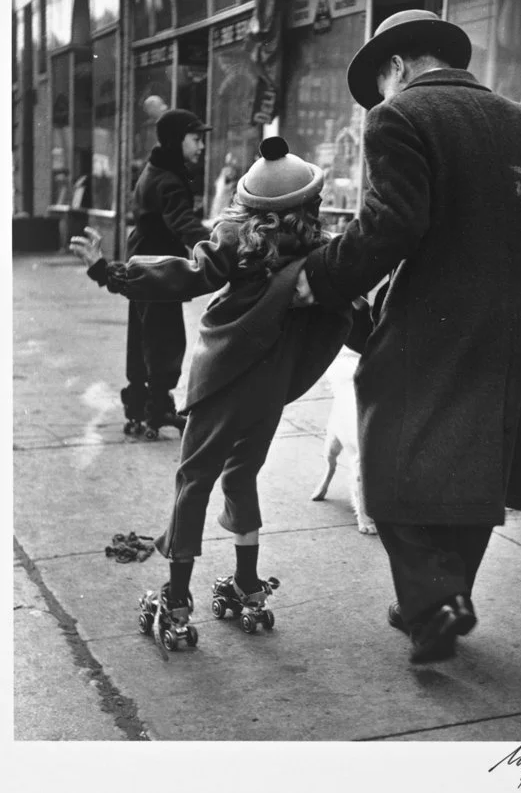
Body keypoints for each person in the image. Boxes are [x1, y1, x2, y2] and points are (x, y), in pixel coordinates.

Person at [292, 9, 521, 664]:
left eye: (381, 84)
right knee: (475, 465)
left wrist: (320, 279)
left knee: (386, 451)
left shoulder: (399, 117)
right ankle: (441, 600)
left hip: (433, 325)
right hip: (510, 331)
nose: (382, 99)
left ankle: (431, 597)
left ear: (396, 66)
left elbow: (391, 224)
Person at [70, 137, 351, 655]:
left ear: (252, 200)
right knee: (241, 478)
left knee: (193, 482)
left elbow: (186, 274)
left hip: (222, 382)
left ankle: (176, 600)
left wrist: (110, 271)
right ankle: (247, 584)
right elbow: (351, 318)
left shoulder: (236, 240)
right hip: (269, 392)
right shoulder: (321, 258)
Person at [122, 108, 213, 439]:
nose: (201, 145)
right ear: (178, 141)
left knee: (144, 338)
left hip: (141, 265)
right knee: (166, 340)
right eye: (196, 138)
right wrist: (214, 245)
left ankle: (138, 406)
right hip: (157, 271)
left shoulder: (156, 169)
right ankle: (156, 409)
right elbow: (182, 222)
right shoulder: (169, 179)